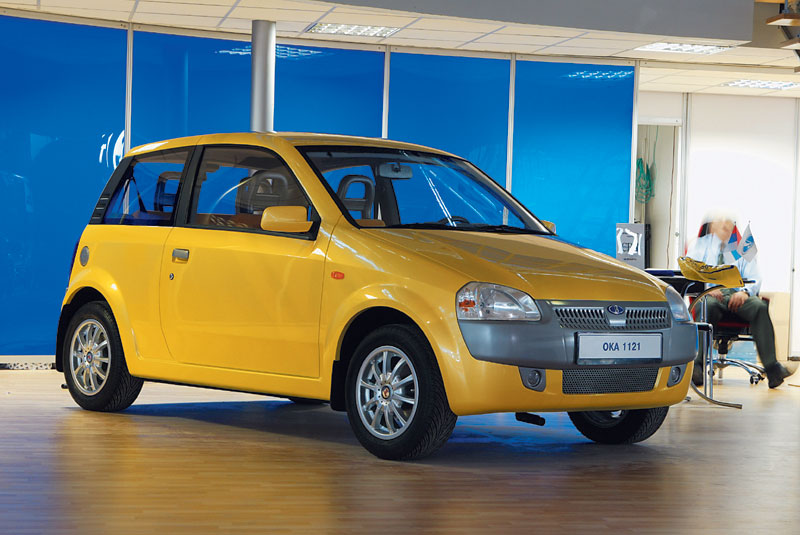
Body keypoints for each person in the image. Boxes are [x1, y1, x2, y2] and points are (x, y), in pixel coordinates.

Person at [687, 212, 791, 388]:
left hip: (736, 294)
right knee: (707, 306)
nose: (725, 226)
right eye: (721, 222)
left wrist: (745, 292)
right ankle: (697, 366)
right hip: (711, 296)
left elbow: (755, 276)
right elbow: (690, 271)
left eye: (729, 222)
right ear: (712, 226)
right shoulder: (700, 245)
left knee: (759, 306)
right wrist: (706, 288)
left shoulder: (743, 246)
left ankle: (773, 369)